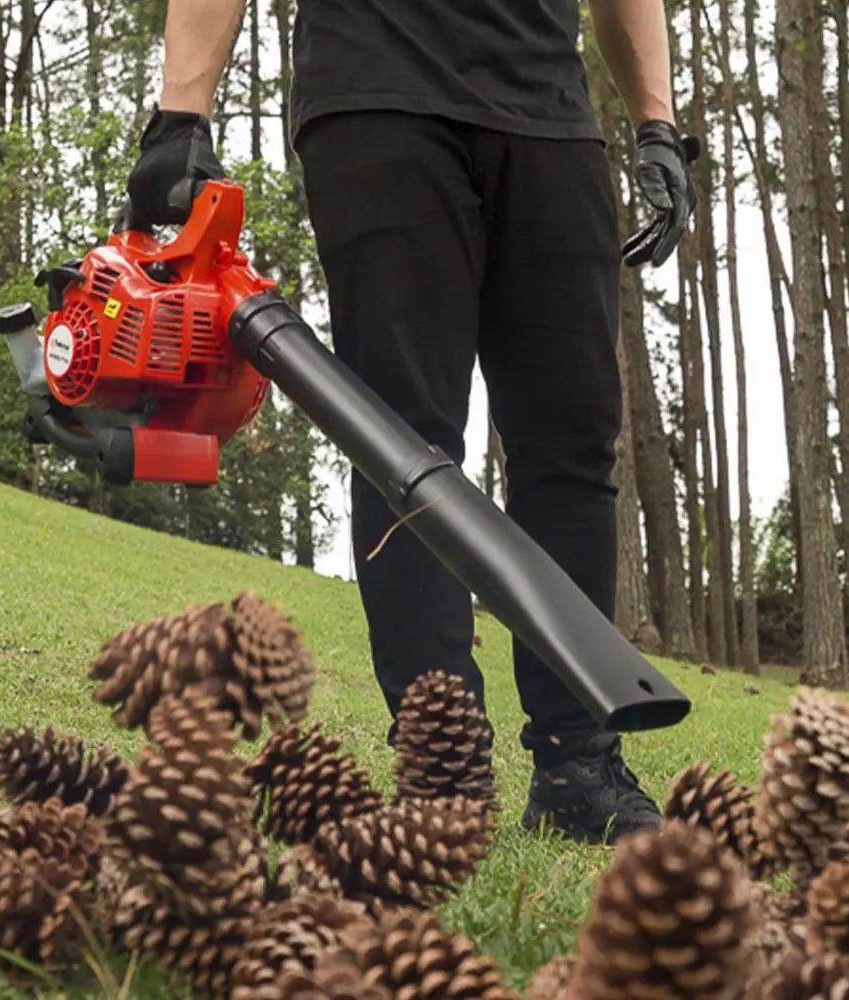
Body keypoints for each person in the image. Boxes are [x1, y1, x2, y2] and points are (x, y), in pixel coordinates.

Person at [126, 0, 697, 845]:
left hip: (547, 112)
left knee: (573, 442)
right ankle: (444, 764)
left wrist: (657, 124)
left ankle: (578, 765)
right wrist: (181, 114)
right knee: (403, 435)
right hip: (376, 92)